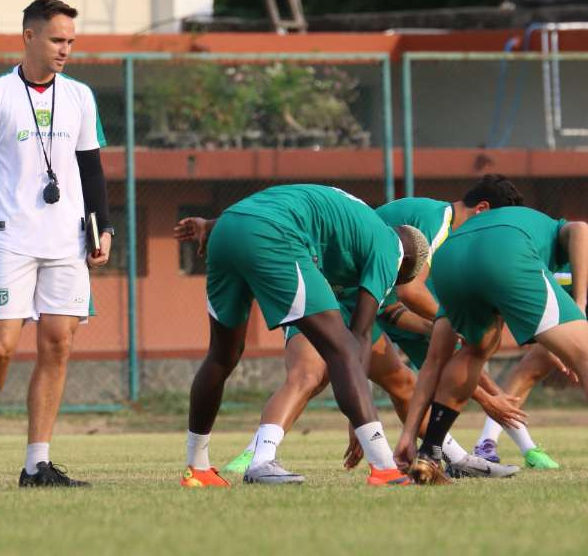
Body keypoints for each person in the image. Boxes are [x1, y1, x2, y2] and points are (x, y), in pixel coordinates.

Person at [218, 176, 526, 483]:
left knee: (403, 383)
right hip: (320, 293)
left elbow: (391, 309)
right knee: (308, 375)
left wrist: (433, 328)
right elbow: (409, 294)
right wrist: (450, 323)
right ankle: (259, 457)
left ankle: (455, 459)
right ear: (482, 210)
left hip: (352, 307)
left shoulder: (410, 239)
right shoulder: (427, 228)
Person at [0, 0, 113, 489]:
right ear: (29, 36)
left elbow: (92, 168)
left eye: (71, 42)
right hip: (9, 239)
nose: (66, 50)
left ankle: (37, 463)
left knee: (58, 344)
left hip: (67, 241)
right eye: (58, 39)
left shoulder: (80, 96)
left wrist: (103, 228)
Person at [175, 184, 430, 488]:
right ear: (404, 268)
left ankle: (198, 468)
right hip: (275, 235)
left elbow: (267, 208)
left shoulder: (359, 222)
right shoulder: (393, 250)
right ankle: (384, 466)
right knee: (343, 348)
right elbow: (359, 335)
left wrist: (209, 226)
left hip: (227, 227)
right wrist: (359, 418)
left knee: (221, 355)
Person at [394, 206, 588, 484]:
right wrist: (579, 303)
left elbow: (433, 363)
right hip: (503, 251)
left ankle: (429, 453)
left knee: (474, 349)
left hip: (449, 260)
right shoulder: (552, 228)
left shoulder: (493, 224)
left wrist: (407, 435)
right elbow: (580, 229)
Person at [471, 265, 580, 470]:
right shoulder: (549, 245)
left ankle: (491, 443)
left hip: (567, 315)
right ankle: (486, 443)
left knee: (532, 368)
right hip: (544, 310)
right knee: (529, 368)